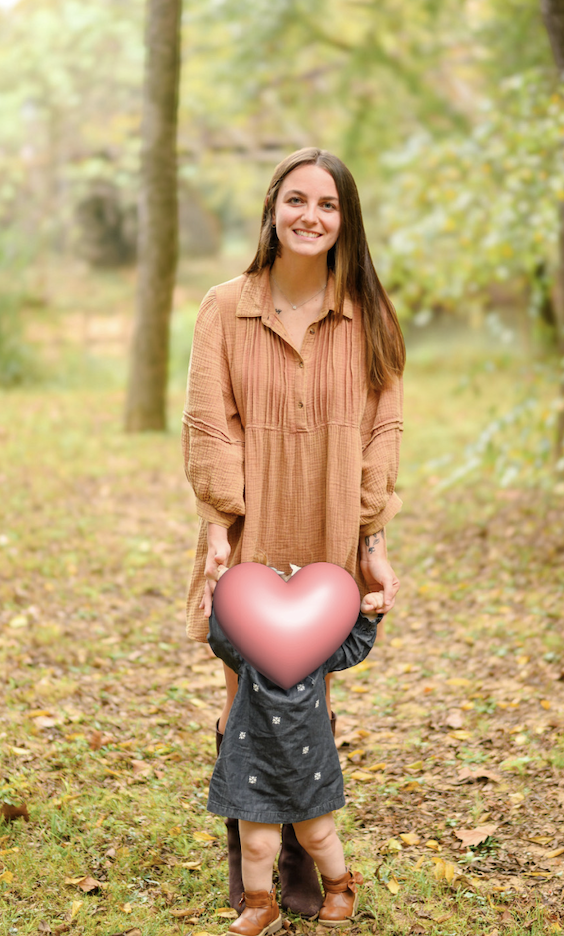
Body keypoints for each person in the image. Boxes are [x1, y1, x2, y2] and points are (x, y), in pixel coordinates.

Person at [182, 146, 405, 917]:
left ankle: (301, 856)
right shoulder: (224, 307)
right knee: (244, 684)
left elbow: (384, 430)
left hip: (332, 516)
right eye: (297, 200)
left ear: (346, 220)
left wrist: (372, 541)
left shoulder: (371, 314)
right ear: (273, 209)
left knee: (311, 689)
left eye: (328, 204)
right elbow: (209, 422)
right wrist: (220, 524)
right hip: (251, 518)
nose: (311, 216)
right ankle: (248, 848)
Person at [207, 576, 384, 934]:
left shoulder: (319, 654)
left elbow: (353, 648)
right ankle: (260, 907)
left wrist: (367, 616)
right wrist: (218, 602)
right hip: (253, 760)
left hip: (308, 765)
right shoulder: (246, 656)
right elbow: (221, 639)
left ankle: (340, 889)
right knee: (256, 845)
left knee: (317, 835)